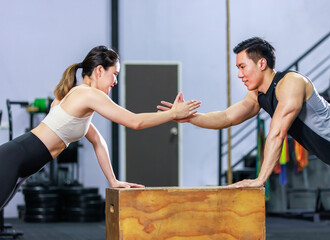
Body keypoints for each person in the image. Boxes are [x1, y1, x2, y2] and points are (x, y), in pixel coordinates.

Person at [157, 37, 330, 205]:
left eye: (243, 67)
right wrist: (189, 117)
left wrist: (260, 179)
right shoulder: (258, 95)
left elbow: (277, 133)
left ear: (261, 63)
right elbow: (227, 117)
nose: (239, 74)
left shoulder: (291, 83)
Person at [0, 46, 201, 210]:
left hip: (20, 164)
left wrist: (112, 180)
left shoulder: (80, 96)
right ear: (99, 71)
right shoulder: (88, 94)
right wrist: (173, 114)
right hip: (14, 159)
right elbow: (134, 121)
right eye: (114, 74)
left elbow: (98, 141)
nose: (115, 81)